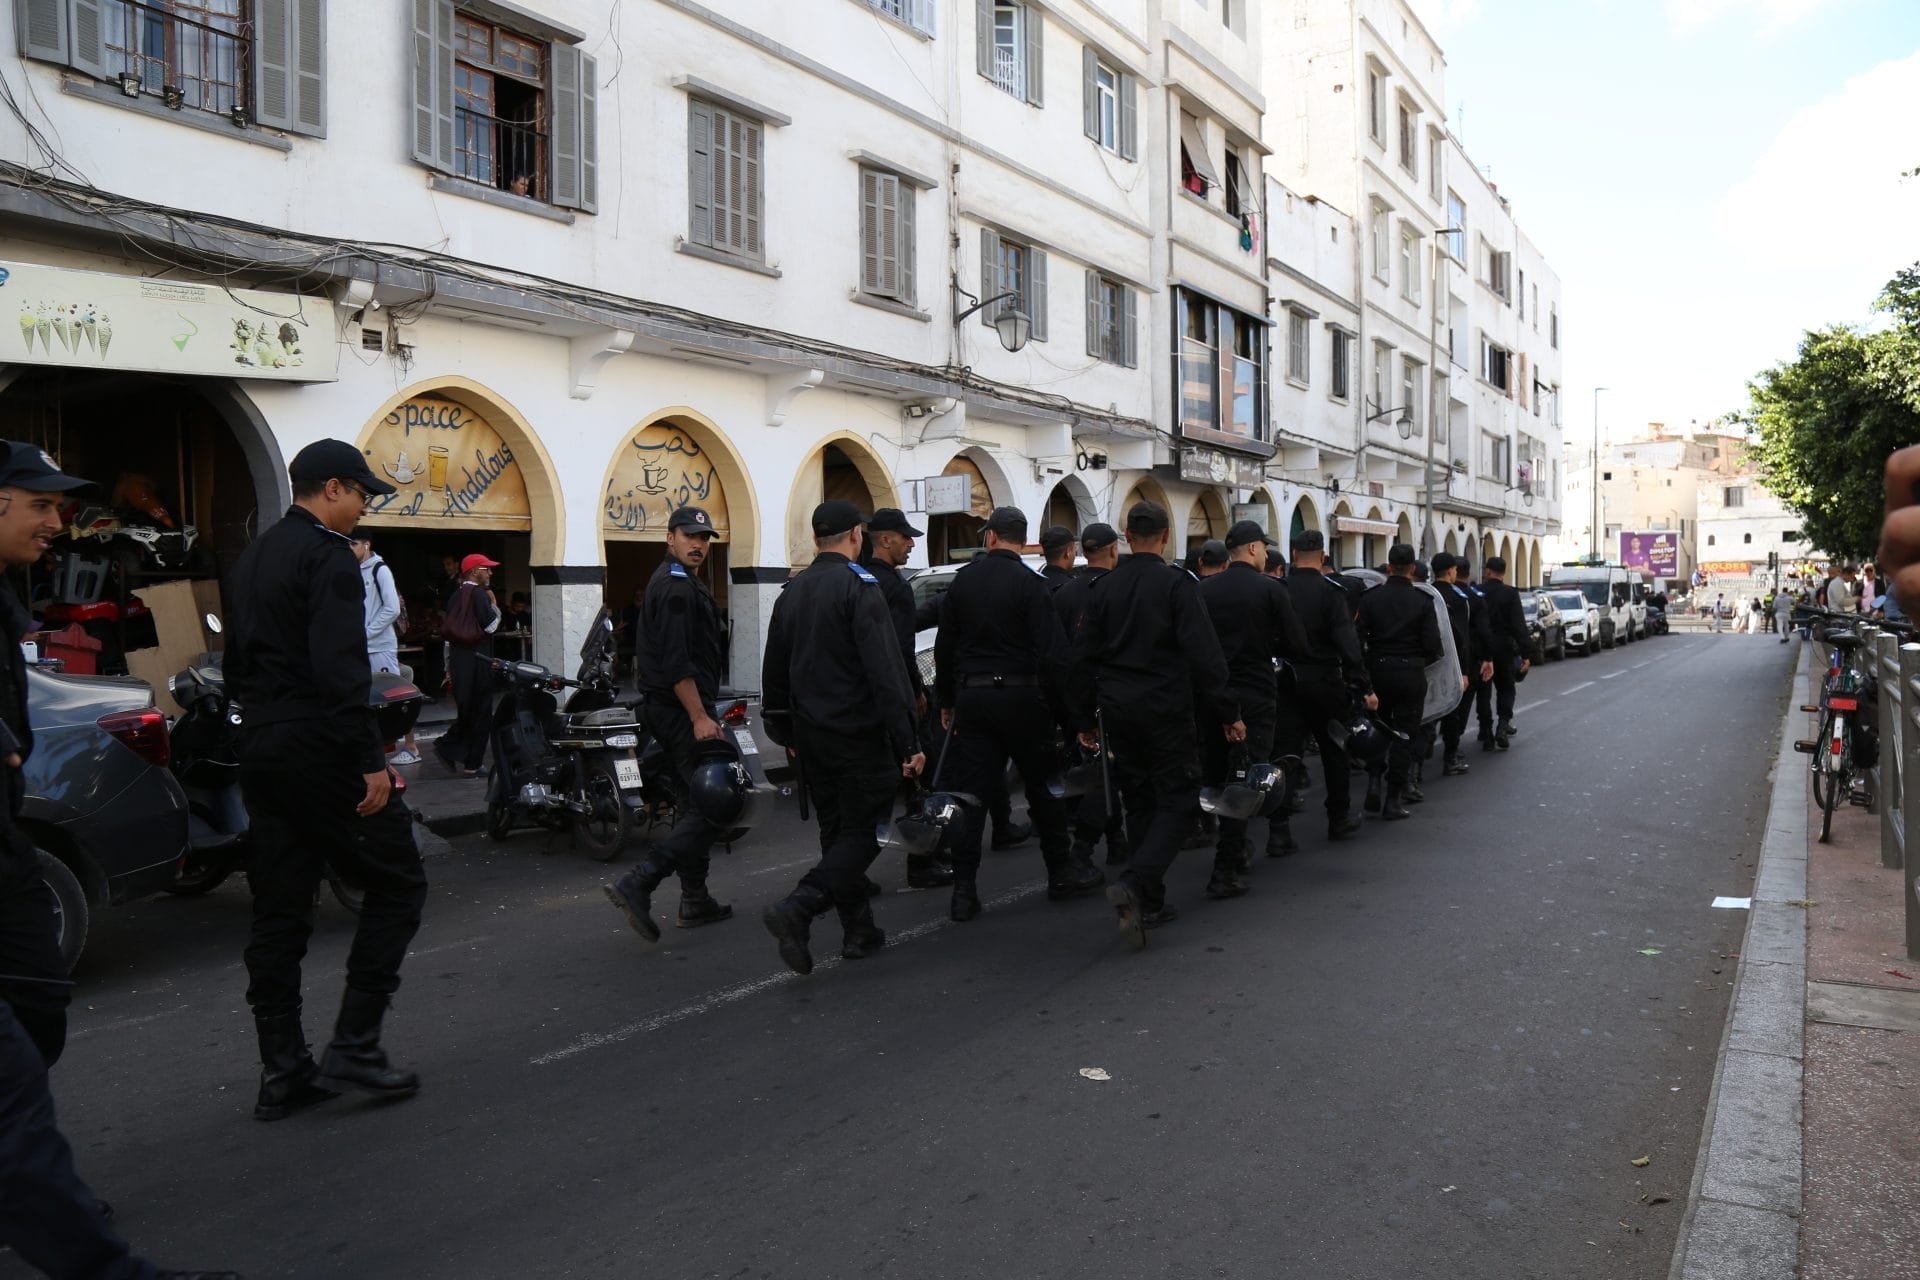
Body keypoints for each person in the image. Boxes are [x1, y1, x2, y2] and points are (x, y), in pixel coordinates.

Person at [225, 439, 426, 1121]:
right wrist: (369, 759)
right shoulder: (327, 558)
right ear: (333, 488)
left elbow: (235, 664)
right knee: (399, 881)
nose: (364, 509)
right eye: (362, 495)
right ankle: (356, 1045)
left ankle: (282, 1071)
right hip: (319, 747)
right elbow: (341, 669)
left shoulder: (253, 556)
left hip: (261, 745)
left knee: (279, 911)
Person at [760, 501, 925, 975]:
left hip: (811, 740)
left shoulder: (791, 593)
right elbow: (886, 672)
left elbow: (774, 673)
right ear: (857, 535)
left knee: (837, 833)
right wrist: (908, 742)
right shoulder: (860, 586)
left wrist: (786, 732)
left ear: (816, 539)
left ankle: (858, 929)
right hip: (857, 735)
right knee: (868, 831)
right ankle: (801, 906)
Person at [1070, 501, 1243, 950]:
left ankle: (1151, 900)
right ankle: (1137, 880)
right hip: (1165, 707)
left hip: (1118, 708)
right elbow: (1205, 655)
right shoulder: (1176, 585)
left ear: (1126, 536)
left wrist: (1084, 717)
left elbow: (1082, 656)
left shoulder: (1103, 588)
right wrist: (1228, 713)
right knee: (1181, 800)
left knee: (1140, 799)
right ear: (1166, 537)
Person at [934, 507, 1101, 920]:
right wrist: (1077, 717)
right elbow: (1055, 654)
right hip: (1023, 699)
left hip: (974, 700)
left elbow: (944, 646)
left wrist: (946, 700)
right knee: (1043, 787)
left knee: (972, 793)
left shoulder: (963, 581)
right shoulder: (1032, 584)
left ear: (991, 537)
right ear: (1021, 540)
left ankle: (964, 891)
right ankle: (1060, 873)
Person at [604, 507, 736, 942]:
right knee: (713, 803)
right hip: (681, 709)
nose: (698, 544)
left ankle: (695, 899)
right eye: (690, 536)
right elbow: (679, 662)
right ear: (670, 537)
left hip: (672, 707)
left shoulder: (676, 581)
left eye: (705, 537)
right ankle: (640, 881)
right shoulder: (676, 587)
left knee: (691, 799)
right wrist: (699, 716)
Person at [1196, 520, 1309, 886]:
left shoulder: (1204, 590)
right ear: (1252, 549)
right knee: (1245, 776)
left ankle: (1228, 845)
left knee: (1215, 771)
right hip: (1256, 693)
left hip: (1211, 694)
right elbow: (1296, 644)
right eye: (1262, 546)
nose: (1263, 553)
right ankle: (1226, 865)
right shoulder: (1271, 590)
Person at [860, 508, 951, 890]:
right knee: (921, 777)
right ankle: (922, 862)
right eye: (905, 537)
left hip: (863, 700)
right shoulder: (892, 585)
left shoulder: (860, 580)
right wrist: (915, 692)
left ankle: (851, 870)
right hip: (894, 696)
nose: (912, 543)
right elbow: (898, 647)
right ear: (884, 539)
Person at [1275, 531, 1372, 840]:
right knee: (1334, 750)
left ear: (1293, 554)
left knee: (1286, 755)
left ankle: (1279, 830)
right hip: (1325, 682)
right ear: (1322, 557)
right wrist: (1364, 685)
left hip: (1287, 681)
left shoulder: (1279, 589)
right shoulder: (1332, 592)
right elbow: (1348, 643)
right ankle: (1338, 818)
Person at [1052, 522, 1128, 868]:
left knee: (1101, 773)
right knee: (1105, 776)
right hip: (1111, 695)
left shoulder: (1065, 593)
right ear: (1113, 550)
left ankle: (1116, 841)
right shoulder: (1117, 590)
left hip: (1074, 697)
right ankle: (1084, 848)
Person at [1354, 544, 1443, 820]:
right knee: (1404, 736)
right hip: (1410, 674)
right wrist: (1415, 662)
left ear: (1389, 566)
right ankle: (1393, 799)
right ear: (1413, 569)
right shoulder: (1422, 602)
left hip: (1379, 672)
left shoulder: (1370, 599)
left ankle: (1372, 782)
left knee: (1378, 730)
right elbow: (1434, 646)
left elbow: (1357, 640)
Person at [432, 553, 500, 776]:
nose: (490, 572)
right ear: (474, 571)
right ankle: (469, 762)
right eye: (486, 569)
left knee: (467, 711)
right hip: (479, 661)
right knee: (482, 713)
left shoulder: (455, 596)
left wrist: (448, 668)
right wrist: (495, 607)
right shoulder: (479, 595)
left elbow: (449, 638)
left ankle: (454, 751)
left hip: (460, 664)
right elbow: (490, 626)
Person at [354, 538, 419, 764]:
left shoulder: (380, 570)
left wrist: (367, 632)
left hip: (379, 646)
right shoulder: (352, 570)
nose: (350, 549)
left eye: (354, 544)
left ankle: (410, 747)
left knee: (393, 698)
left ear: (366, 544)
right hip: (362, 646)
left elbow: (391, 608)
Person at [1430, 553, 1486, 777]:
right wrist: (1463, 672)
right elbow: (1459, 639)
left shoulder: (1427, 593)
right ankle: (1450, 757)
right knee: (1452, 711)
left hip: (1428, 662)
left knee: (1427, 710)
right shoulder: (1458, 598)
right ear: (1451, 570)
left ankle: (1418, 760)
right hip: (1450, 665)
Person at [1474, 556, 1531, 750]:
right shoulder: (1510, 594)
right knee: (1506, 688)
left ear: (1488, 571)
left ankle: (1485, 730)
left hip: (1482, 649)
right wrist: (1525, 653)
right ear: (1504, 573)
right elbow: (1519, 626)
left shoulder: (1477, 592)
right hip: (1504, 648)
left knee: (1483, 691)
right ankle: (1503, 725)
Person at [1039, 525, 1077, 591]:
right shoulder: (1072, 587)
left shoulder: (1034, 582)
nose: (1074, 555)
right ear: (1068, 552)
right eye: (1074, 549)